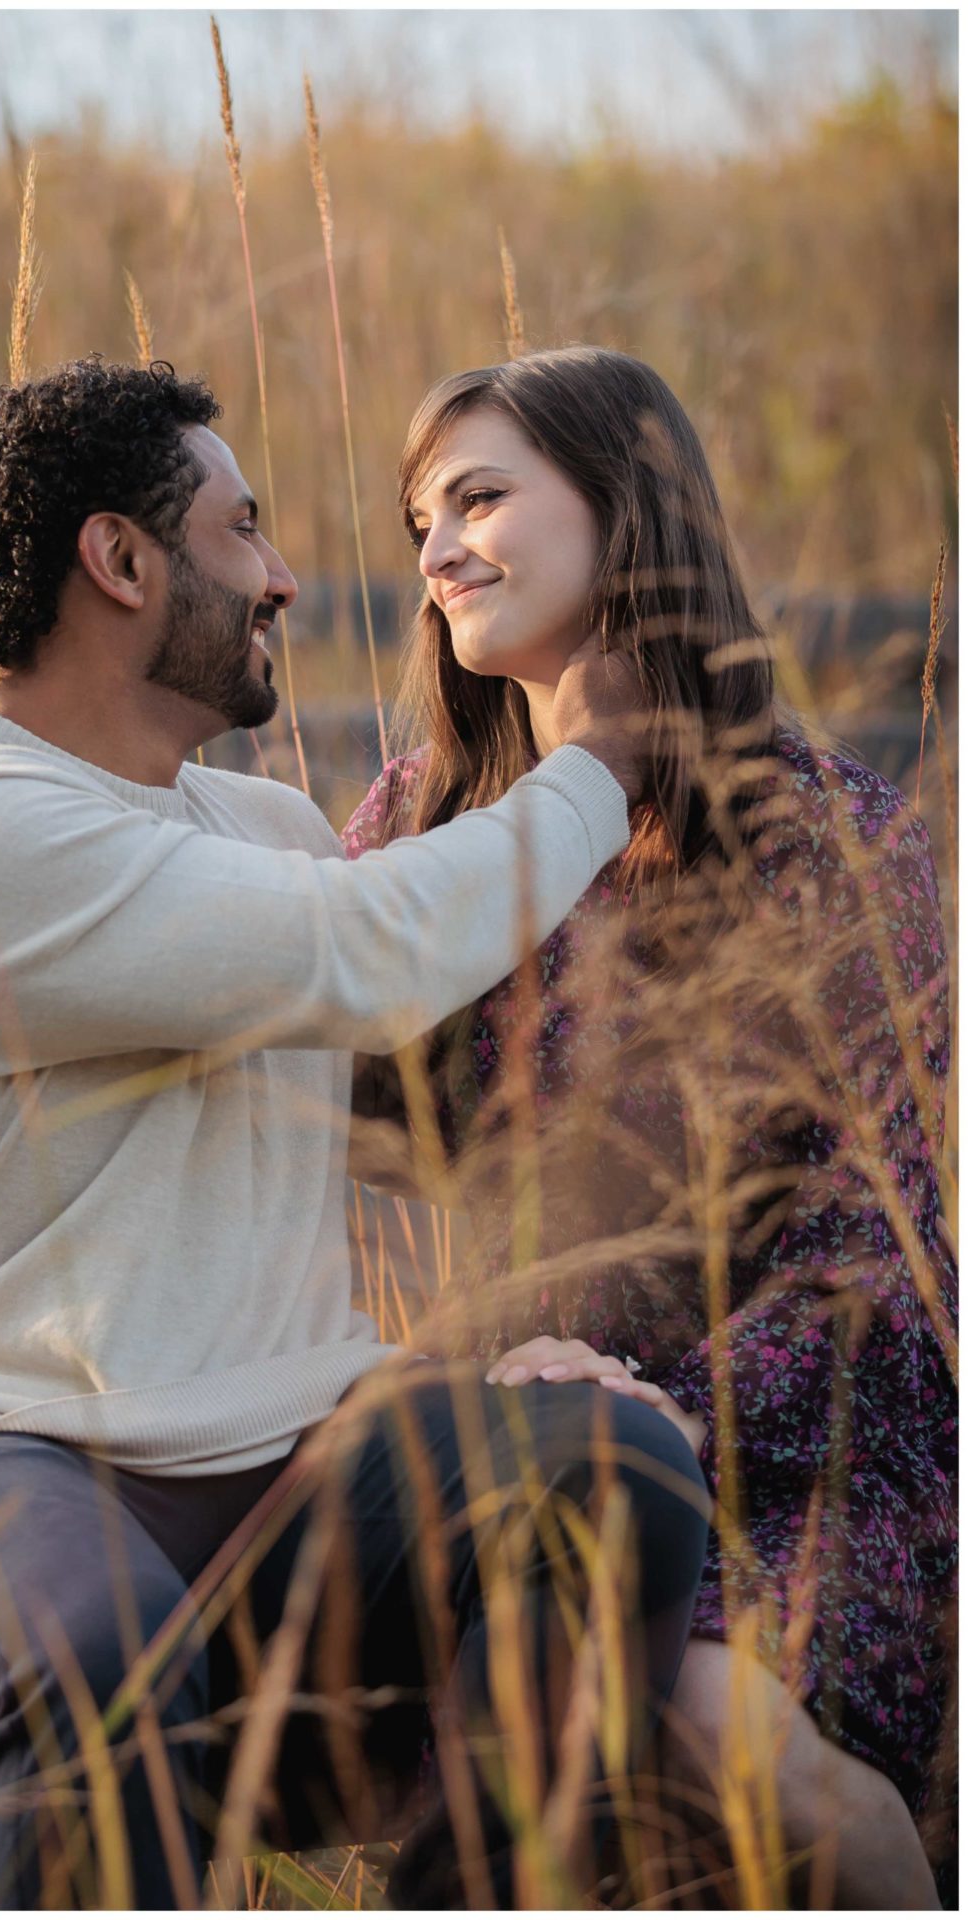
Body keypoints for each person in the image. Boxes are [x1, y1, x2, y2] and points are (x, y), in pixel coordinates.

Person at [0, 356, 711, 1909]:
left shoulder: (271, 834)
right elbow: (373, 957)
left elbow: (426, 1085)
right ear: (121, 561)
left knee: (608, 1458)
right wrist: (599, 761)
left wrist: (519, 1346)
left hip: (297, 1459)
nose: (288, 578)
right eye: (243, 534)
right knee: (99, 1655)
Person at [342, 345, 955, 1907]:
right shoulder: (417, 828)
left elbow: (875, 1234)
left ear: (625, 506)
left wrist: (673, 1409)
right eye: (420, 517)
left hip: (801, 1436)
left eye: (479, 498)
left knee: (721, 1728)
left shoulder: (822, 834)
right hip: (504, 1434)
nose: (434, 552)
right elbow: (322, 1123)